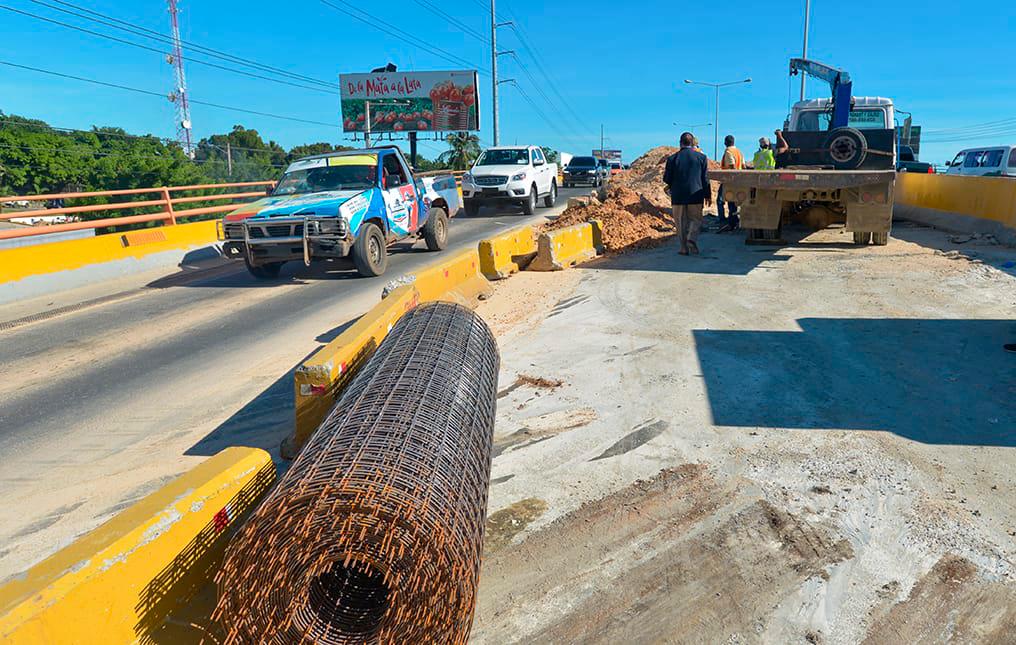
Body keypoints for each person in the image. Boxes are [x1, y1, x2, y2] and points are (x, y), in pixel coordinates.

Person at [663, 132, 712, 255]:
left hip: (678, 196)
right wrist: (708, 195)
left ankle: (683, 248)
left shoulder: (672, 159)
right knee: (696, 219)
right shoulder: (701, 158)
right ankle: (691, 238)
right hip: (696, 194)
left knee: (680, 222)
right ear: (692, 143)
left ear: (680, 143)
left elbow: (667, 179)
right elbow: (705, 179)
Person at [717, 135, 745, 233]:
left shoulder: (728, 152)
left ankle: (724, 220)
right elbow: (743, 166)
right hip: (738, 180)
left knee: (721, 200)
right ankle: (734, 220)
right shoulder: (739, 152)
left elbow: (732, 166)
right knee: (733, 201)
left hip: (729, 180)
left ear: (725, 142)